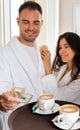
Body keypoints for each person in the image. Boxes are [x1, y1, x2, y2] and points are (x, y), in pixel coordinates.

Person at [0, 1, 56, 130]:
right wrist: (3, 101)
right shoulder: (5, 53)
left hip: (41, 119)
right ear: (18, 21)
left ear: (41, 23)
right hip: (17, 120)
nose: (31, 28)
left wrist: (47, 64)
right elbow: (3, 89)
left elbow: (51, 92)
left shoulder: (41, 52)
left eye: (36, 23)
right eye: (26, 22)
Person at [41, 32, 80, 105]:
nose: (61, 51)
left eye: (66, 46)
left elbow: (58, 98)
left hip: (70, 113)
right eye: (60, 47)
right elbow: (45, 86)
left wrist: (47, 65)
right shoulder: (61, 68)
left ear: (76, 48)